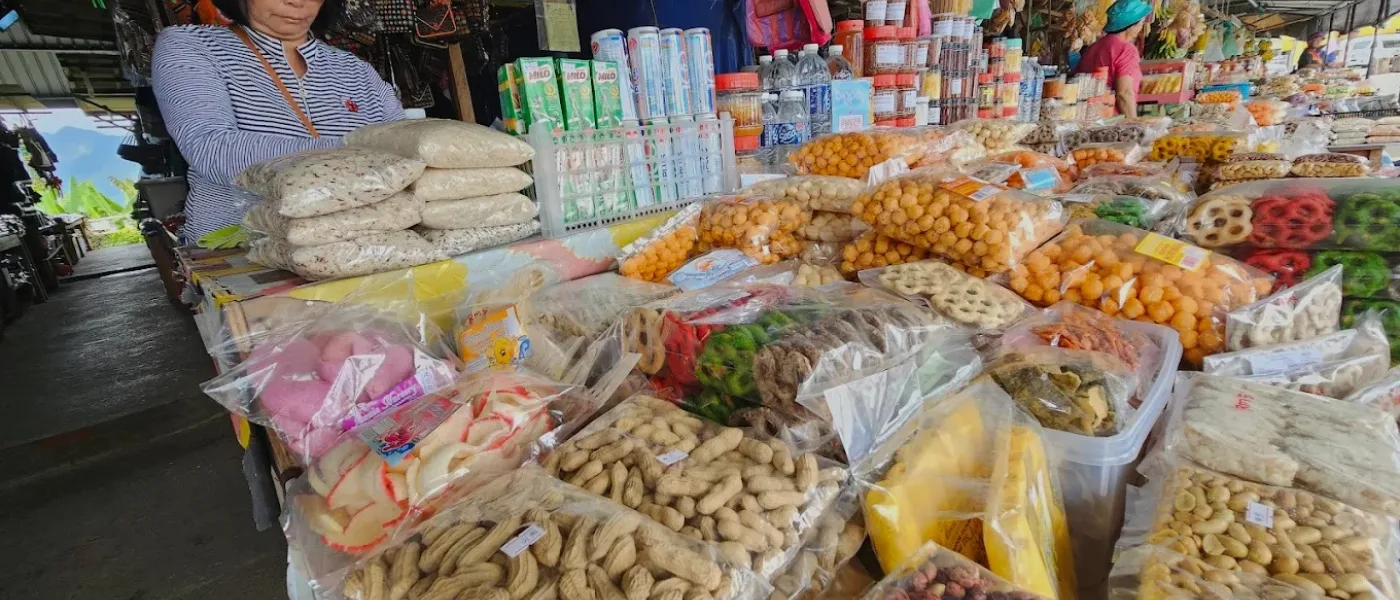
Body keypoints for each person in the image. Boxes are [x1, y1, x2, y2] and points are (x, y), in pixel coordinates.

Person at [152, 0, 404, 243]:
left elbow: (407, 148)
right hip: (240, 255)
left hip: (360, 247)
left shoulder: (357, 71)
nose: (297, 2)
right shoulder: (189, 45)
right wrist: (367, 153)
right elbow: (211, 148)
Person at [1075, 0, 1152, 117]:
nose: (1141, 28)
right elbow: (1124, 93)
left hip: (1086, 119)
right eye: (1141, 23)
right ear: (1131, 26)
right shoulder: (1126, 49)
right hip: (1110, 123)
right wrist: (1134, 124)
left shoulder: (1093, 47)